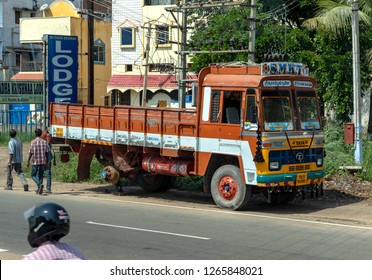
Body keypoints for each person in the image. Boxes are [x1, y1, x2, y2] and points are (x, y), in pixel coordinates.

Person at [27, 128, 50, 195]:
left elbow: (31, 152)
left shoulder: (33, 142)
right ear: (41, 134)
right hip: (43, 161)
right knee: (40, 175)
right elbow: (47, 152)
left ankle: (39, 185)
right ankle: (39, 188)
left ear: (35, 134)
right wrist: (47, 161)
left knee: (33, 175)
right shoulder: (44, 142)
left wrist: (28, 161)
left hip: (35, 161)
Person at [41, 129, 53, 193]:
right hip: (48, 157)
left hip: (45, 158)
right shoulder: (48, 138)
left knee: (42, 173)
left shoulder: (45, 139)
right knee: (48, 173)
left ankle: (41, 186)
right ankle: (48, 188)